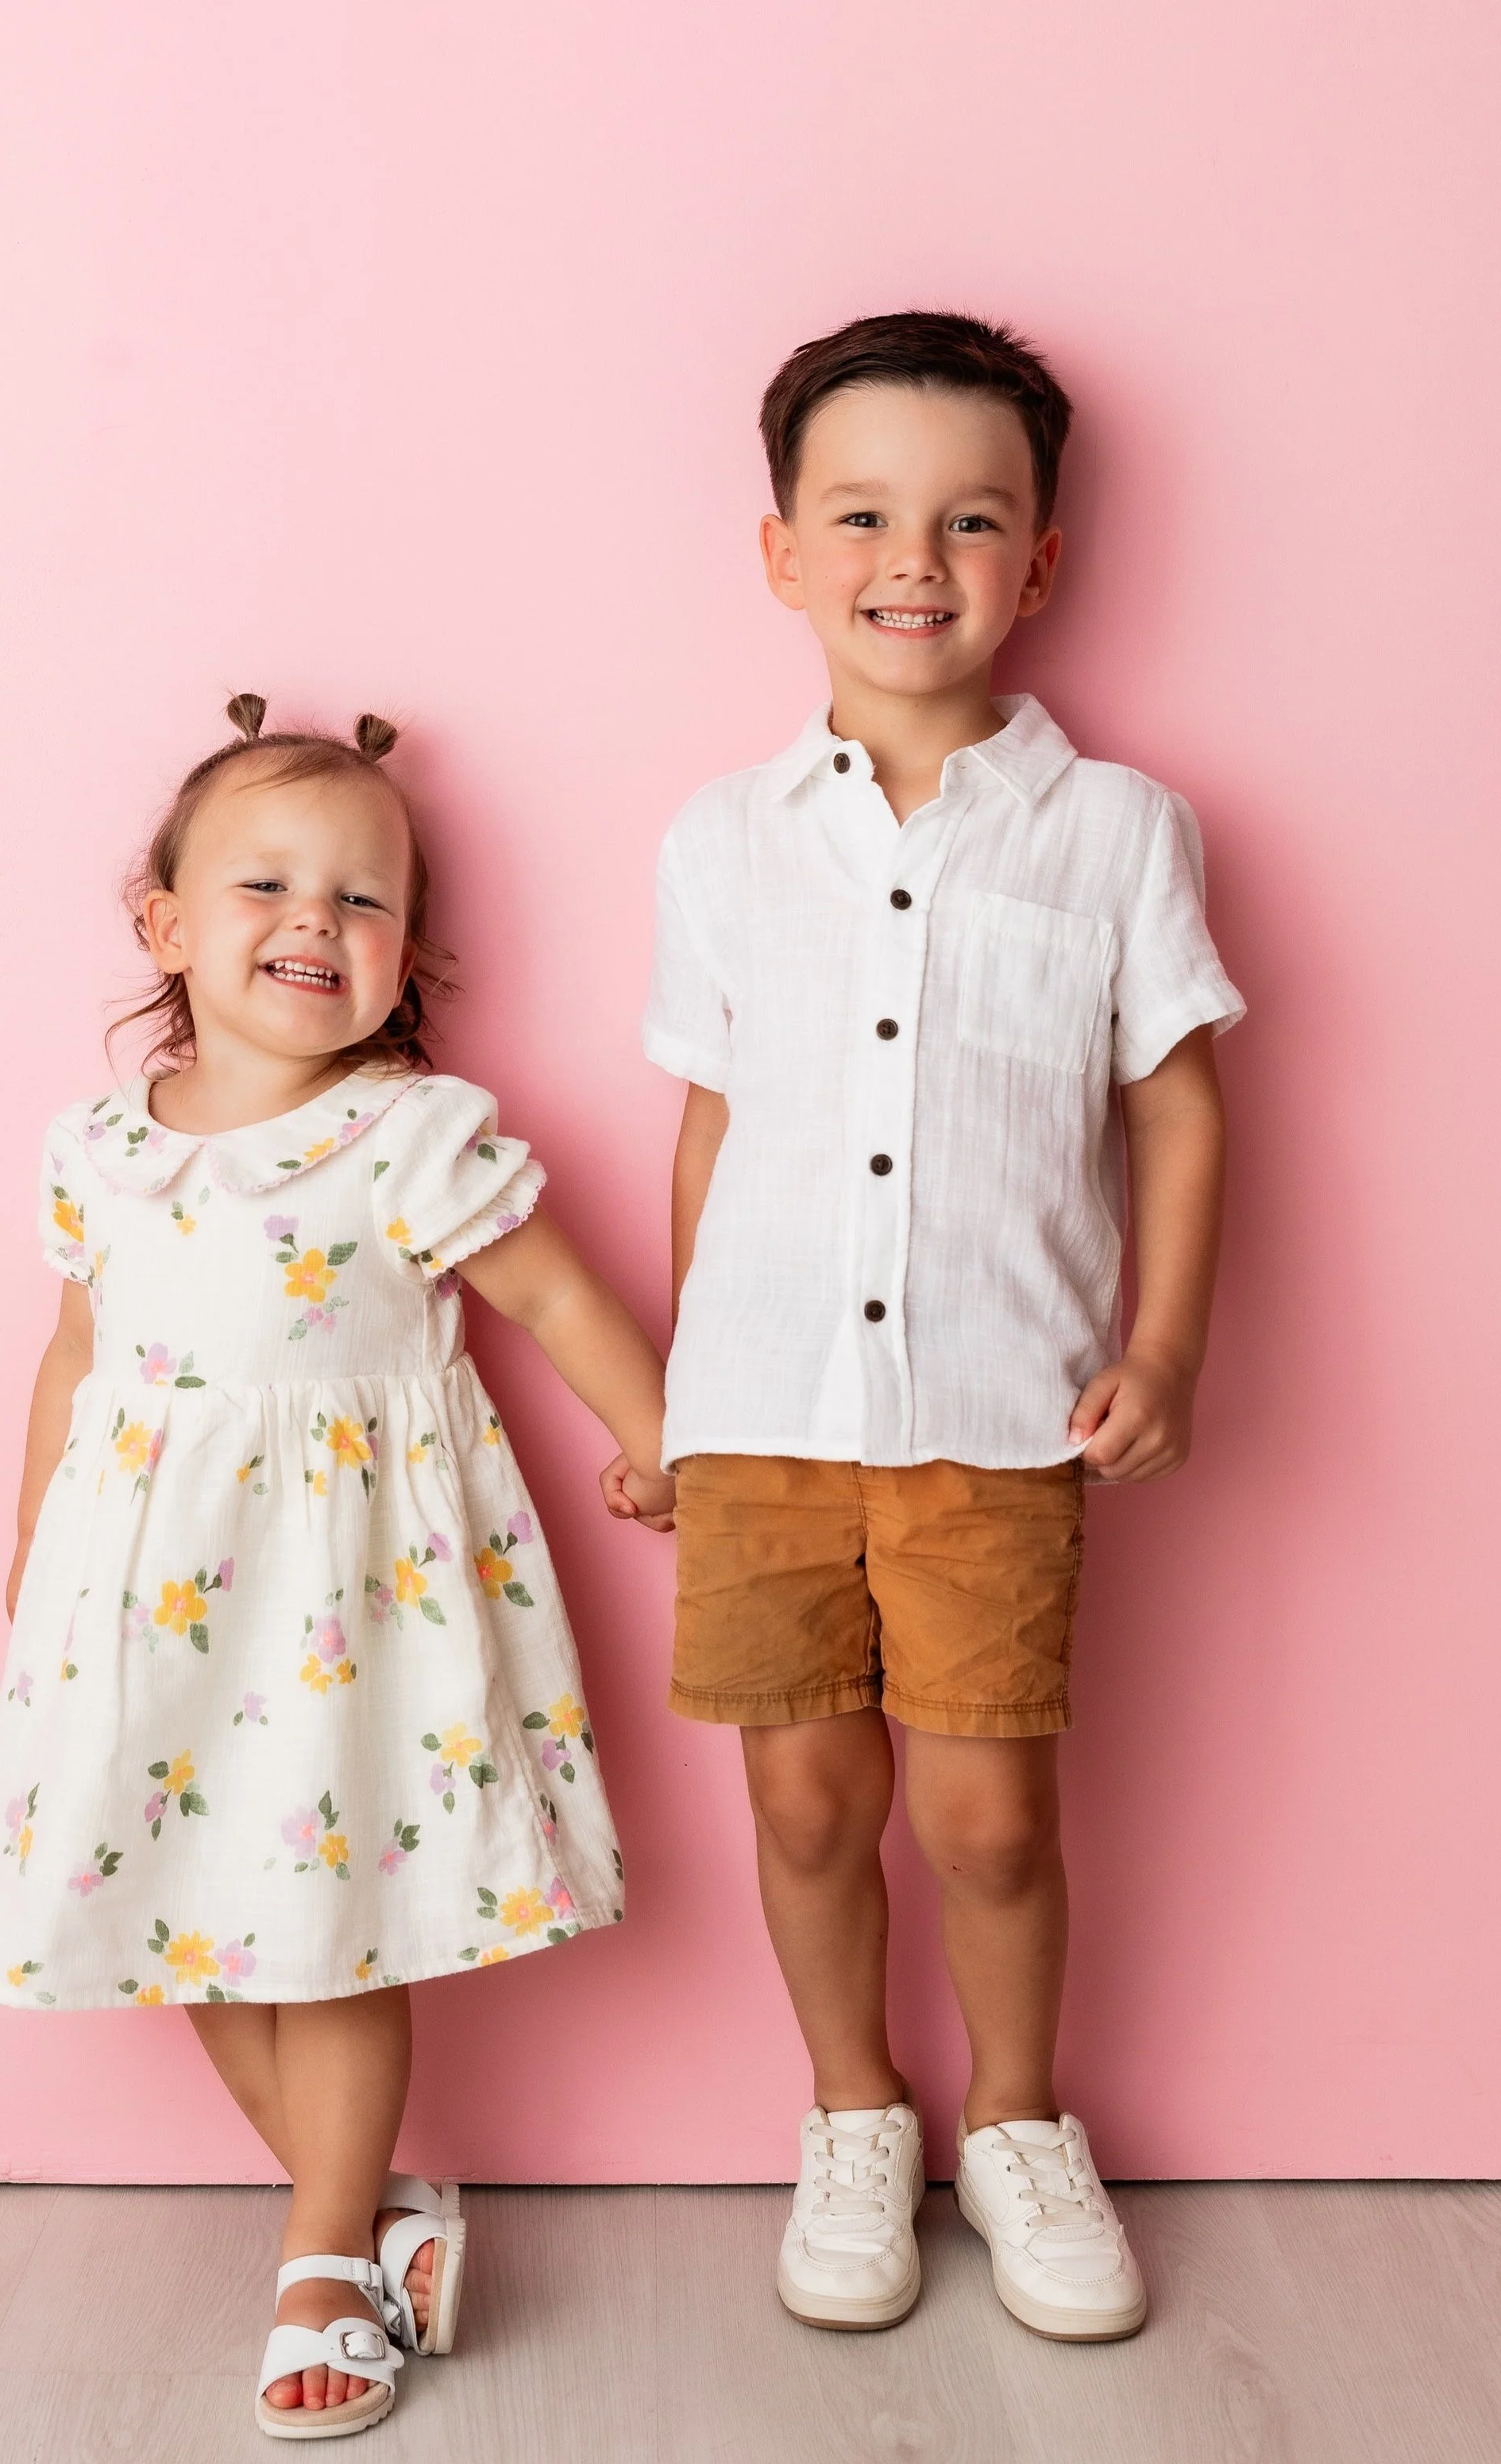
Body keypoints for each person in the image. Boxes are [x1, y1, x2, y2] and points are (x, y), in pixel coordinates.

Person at [0, 698, 674, 2438]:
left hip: (347, 1609)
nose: (314, 922)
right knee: (184, 1919)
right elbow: (74, 1353)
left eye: (362, 898)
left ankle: (323, 2257)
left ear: (407, 952)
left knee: (328, 1937)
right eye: (265, 883)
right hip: (145, 1607)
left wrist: (665, 1438)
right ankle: (378, 2215)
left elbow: (556, 1297)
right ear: (165, 925)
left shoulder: (407, 1135)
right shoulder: (102, 1150)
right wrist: (36, 1535)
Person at [624, 312, 1243, 2342]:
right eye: (861, 514)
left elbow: (1173, 1102)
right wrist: (683, 1389)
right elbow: (710, 1118)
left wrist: (1163, 1347)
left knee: (986, 1814)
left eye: (969, 519)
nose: (914, 558)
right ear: (781, 551)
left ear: (1037, 560)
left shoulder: (1116, 827)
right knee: (804, 1800)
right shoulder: (720, 836)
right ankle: (850, 2109)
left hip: (996, 1409)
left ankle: (1019, 2120)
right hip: (763, 1409)